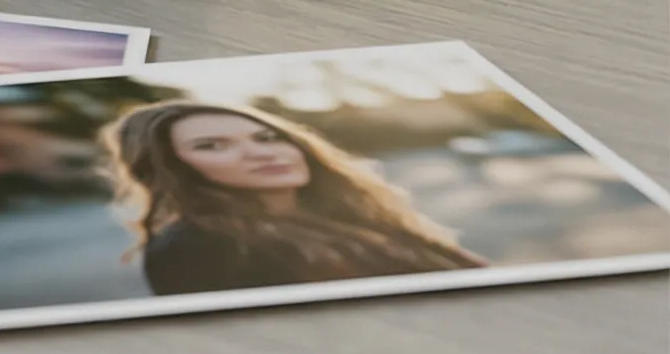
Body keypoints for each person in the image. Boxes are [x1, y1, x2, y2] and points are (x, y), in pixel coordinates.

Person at [102, 100, 485, 297]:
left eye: (267, 137)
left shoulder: (349, 213)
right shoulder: (198, 245)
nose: (261, 153)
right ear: (172, 167)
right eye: (212, 146)